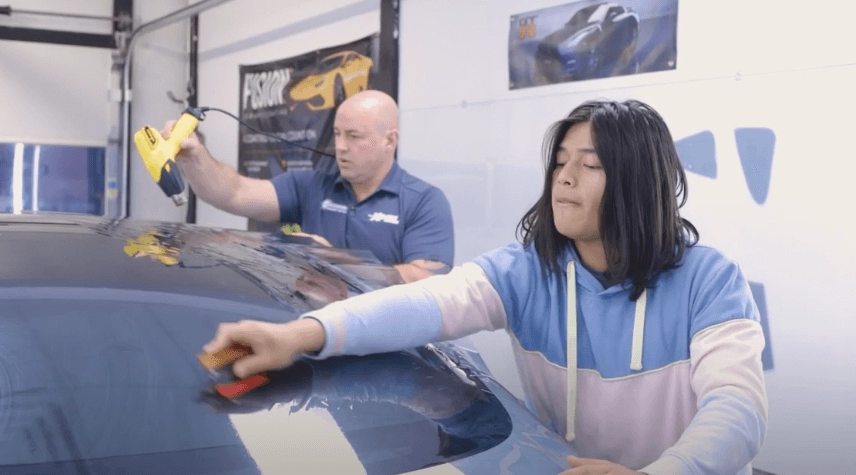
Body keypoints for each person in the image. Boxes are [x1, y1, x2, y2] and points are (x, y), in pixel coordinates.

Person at [200, 100, 769, 475]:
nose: (563, 178)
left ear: (639, 183)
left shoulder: (709, 281)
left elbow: (737, 407)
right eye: (560, 162)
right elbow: (426, 305)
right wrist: (300, 335)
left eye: (589, 165)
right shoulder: (528, 272)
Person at [163, 90, 455, 283]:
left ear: (389, 140)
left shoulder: (423, 201)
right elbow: (234, 193)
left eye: (354, 136)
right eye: (338, 134)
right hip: (308, 332)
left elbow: (427, 280)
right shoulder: (311, 186)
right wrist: (194, 156)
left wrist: (340, 262)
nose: (340, 147)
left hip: (385, 346)